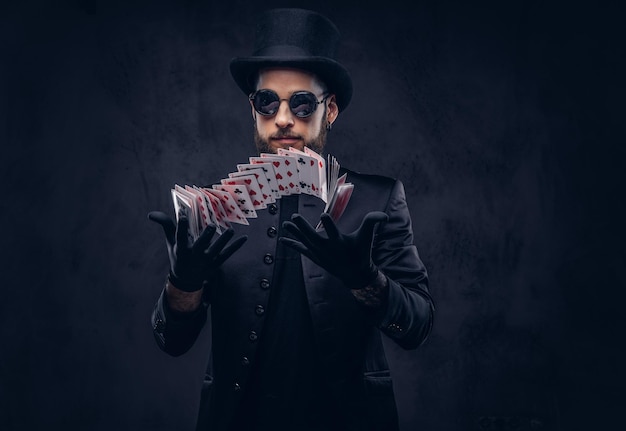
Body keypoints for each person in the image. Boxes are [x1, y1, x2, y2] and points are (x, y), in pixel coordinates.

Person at [148, 8, 434, 431]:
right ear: (253, 108)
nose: (283, 119)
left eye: (301, 102)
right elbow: (170, 342)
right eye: (267, 102)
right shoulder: (215, 207)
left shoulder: (378, 199)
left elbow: (417, 328)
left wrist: (368, 282)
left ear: (330, 110)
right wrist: (182, 286)